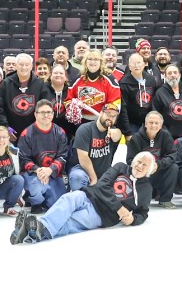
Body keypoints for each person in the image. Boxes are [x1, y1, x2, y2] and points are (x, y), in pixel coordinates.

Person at [11, 152, 154, 244]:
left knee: (70, 222)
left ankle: (32, 230)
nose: (140, 166)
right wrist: (119, 208)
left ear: (149, 169)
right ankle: (37, 227)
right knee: (68, 200)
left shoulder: (146, 189)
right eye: (138, 161)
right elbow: (102, 185)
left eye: (144, 165)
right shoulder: (121, 167)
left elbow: (143, 213)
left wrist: (133, 219)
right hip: (88, 195)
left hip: (100, 215)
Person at [18, 99, 69, 212]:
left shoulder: (60, 132)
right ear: (35, 114)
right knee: (37, 185)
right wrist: (39, 170)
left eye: (49, 112)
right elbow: (23, 159)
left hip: (52, 173)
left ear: (53, 114)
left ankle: (44, 197)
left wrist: (50, 170)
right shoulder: (27, 133)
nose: (46, 115)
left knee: (56, 205)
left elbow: (63, 156)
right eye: (42, 112)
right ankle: (35, 201)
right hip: (34, 174)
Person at [126, 111, 179, 208]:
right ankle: (139, 196)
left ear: (161, 125)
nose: (153, 125)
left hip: (158, 171)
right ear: (145, 124)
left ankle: (165, 200)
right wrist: (144, 167)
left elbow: (172, 154)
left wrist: (158, 164)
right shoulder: (136, 138)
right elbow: (130, 160)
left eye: (156, 123)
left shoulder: (166, 136)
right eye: (151, 122)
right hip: (143, 175)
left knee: (174, 167)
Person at [69, 101, 122, 192]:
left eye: (113, 116)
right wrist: (93, 178)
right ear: (101, 113)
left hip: (104, 173)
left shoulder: (113, 132)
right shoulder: (85, 129)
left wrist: (117, 132)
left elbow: (118, 135)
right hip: (83, 170)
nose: (110, 118)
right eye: (108, 114)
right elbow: (83, 158)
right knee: (77, 177)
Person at [0, 53, 51, 138]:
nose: (24, 67)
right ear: (16, 66)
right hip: (11, 134)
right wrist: (5, 127)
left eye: (27, 65)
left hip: (35, 133)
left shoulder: (40, 84)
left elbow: (45, 107)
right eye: (21, 65)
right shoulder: (6, 83)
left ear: (31, 66)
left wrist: (39, 127)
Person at [67, 49, 122, 118]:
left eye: (96, 59)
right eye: (90, 59)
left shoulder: (109, 80)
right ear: (85, 62)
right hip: (81, 120)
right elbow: (67, 99)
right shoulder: (77, 79)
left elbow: (115, 102)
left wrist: (107, 115)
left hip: (102, 120)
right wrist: (73, 107)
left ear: (101, 62)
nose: (93, 62)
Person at [119, 51, 157, 138]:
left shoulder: (151, 79)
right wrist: (127, 131)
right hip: (132, 124)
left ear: (144, 64)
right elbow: (123, 109)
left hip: (149, 123)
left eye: (139, 63)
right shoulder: (124, 83)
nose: (136, 66)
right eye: (133, 63)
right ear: (129, 65)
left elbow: (155, 102)